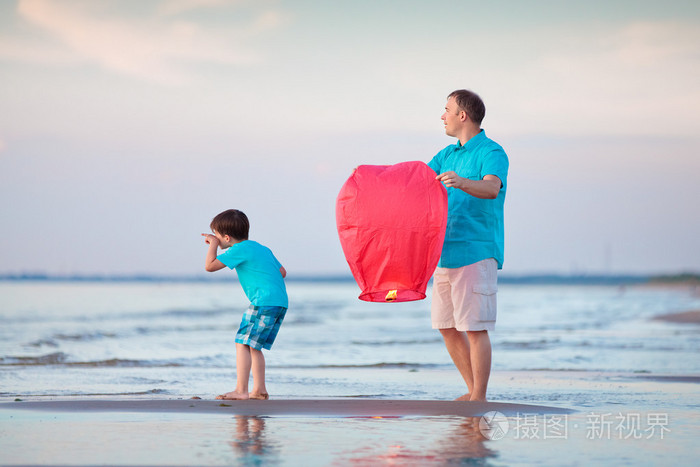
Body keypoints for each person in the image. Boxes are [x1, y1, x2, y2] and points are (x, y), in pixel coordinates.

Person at [427, 89, 509, 402]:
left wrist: (461, 182)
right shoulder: (446, 155)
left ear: (463, 115)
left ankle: (480, 396)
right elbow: (416, 181)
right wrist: (374, 181)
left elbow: (491, 187)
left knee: (474, 328)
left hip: (476, 251)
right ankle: (473, 391)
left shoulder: (492, 151)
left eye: (447, 109)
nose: (442, 116)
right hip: (444, 253)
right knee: (447, 327)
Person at [202, 209, 288, 400]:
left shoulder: (237, 250)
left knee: (242, 342)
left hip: (263, 302)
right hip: (279, 302)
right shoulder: (261, 248)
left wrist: (212, 245)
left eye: (216, 235)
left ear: (226, 237)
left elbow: (210, 266)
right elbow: (282, 272)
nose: (215, 238)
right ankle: (259, 390)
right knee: (253, 345)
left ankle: (241, 390)